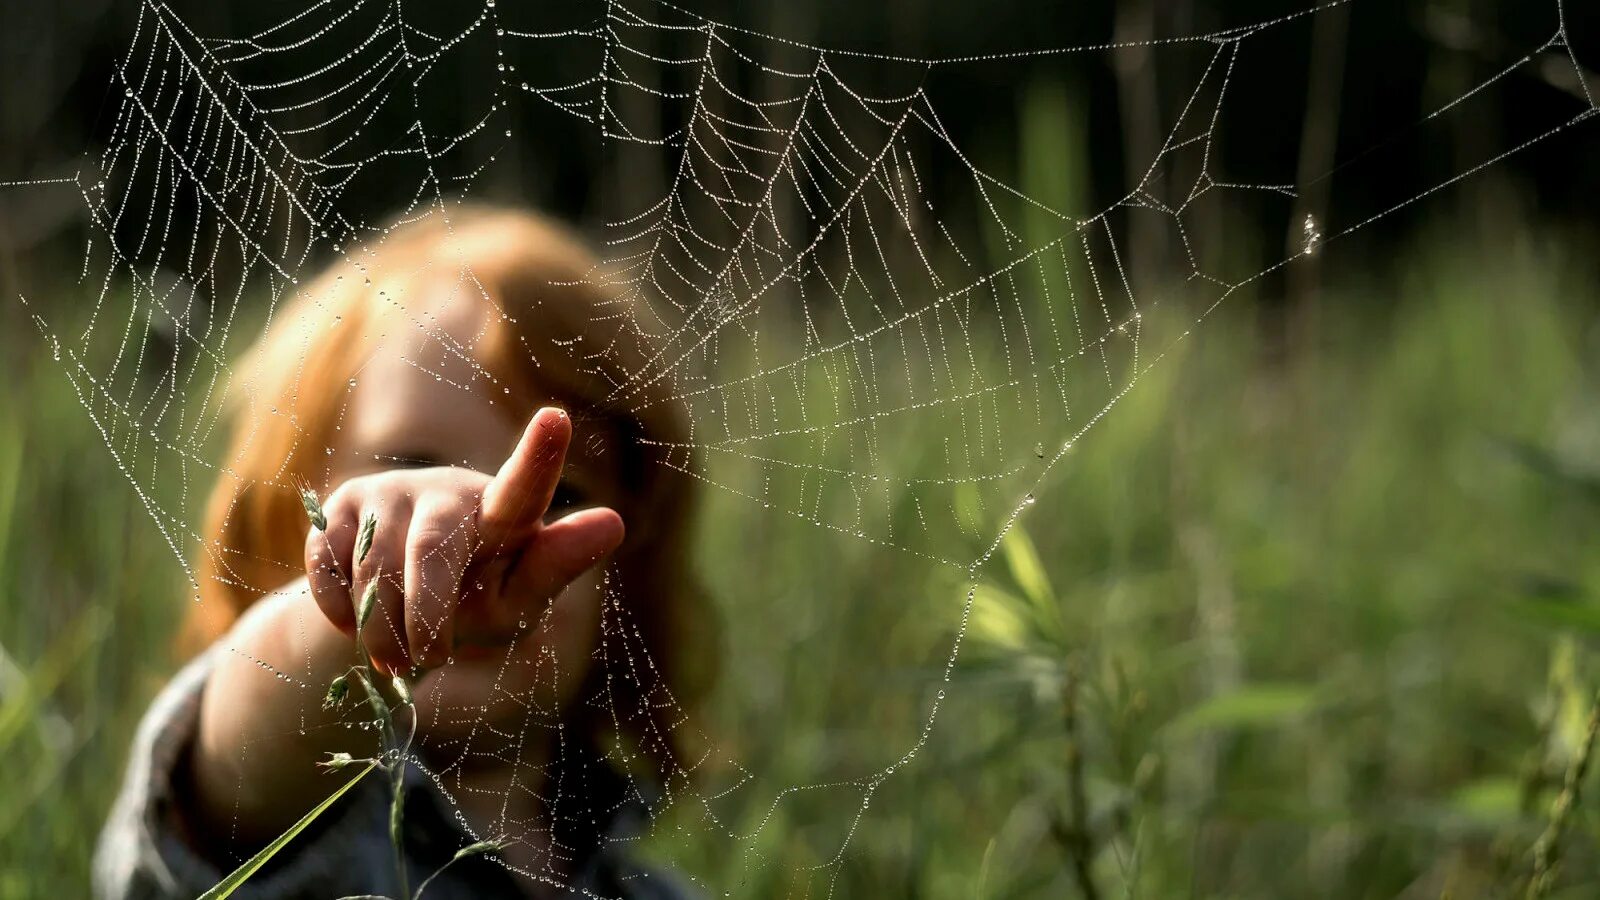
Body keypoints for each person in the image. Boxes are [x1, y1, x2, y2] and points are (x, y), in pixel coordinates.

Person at [95, 206, 713, 899]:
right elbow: (242, 765)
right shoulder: (295, 818)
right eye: (408, 472)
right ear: (281, 516)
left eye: (559, 493)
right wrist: (344, 612)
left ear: (627, 574)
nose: (484, 530)